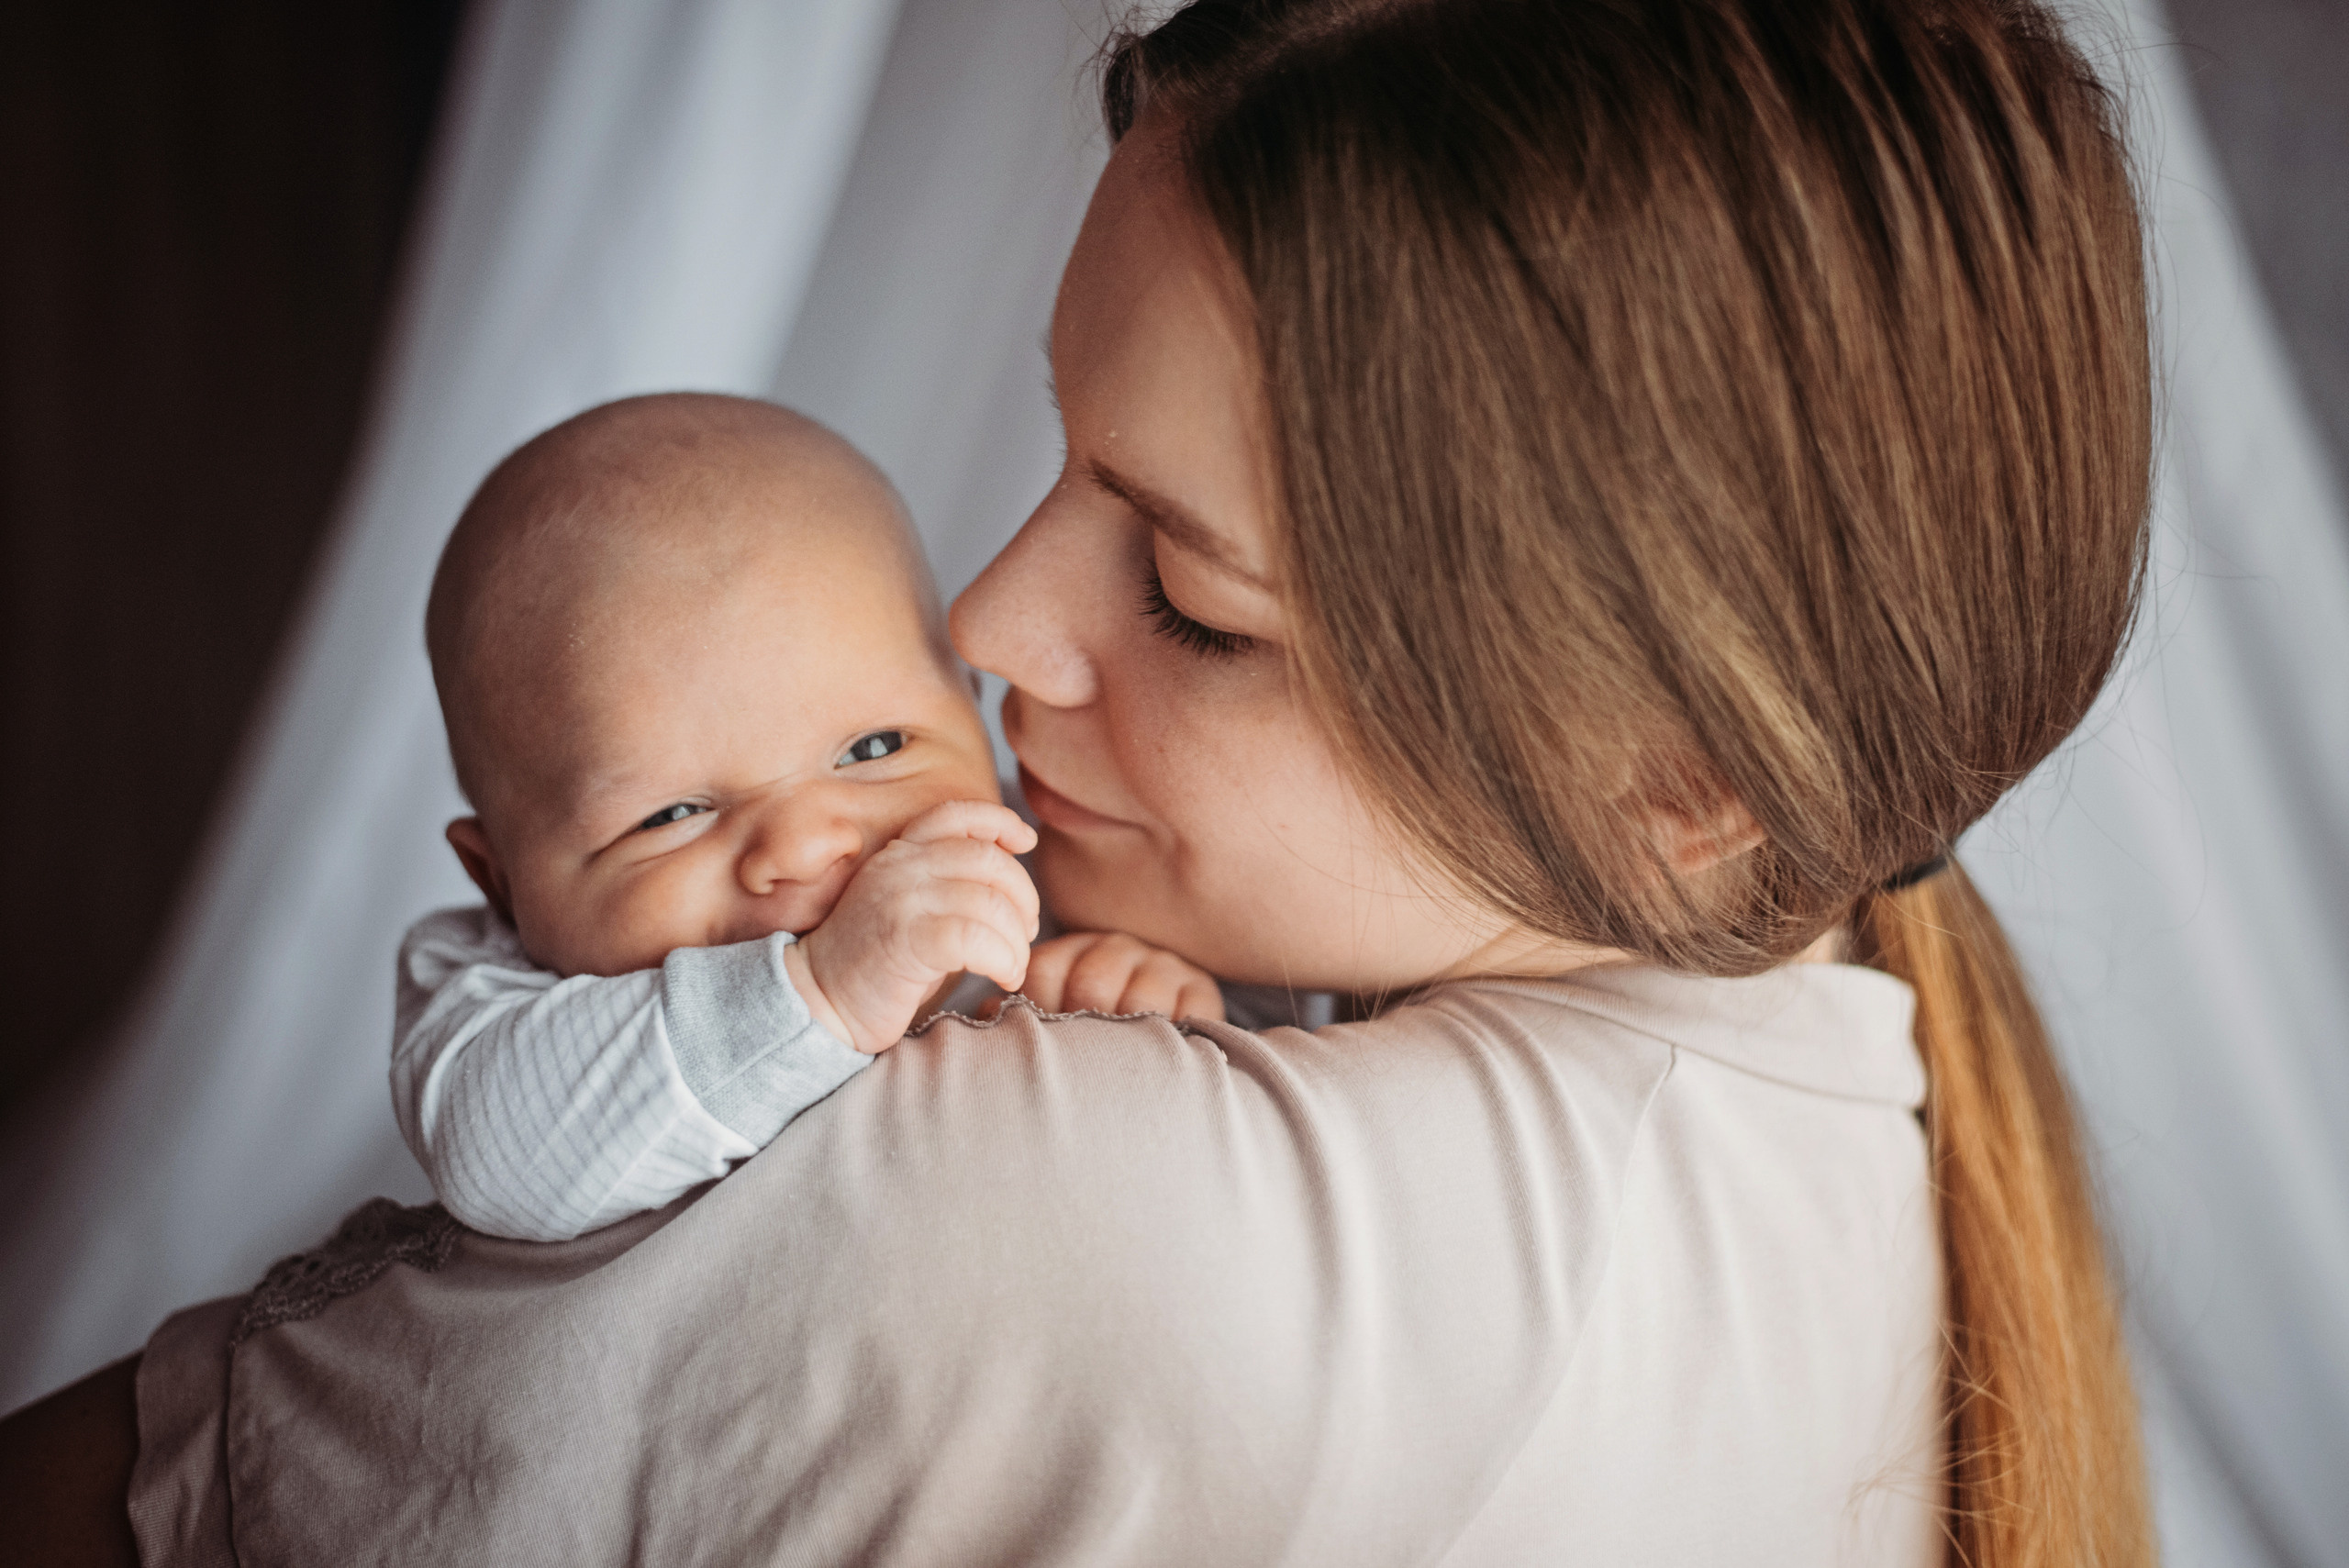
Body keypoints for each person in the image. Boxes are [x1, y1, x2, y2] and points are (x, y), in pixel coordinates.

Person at [3, 0, 2156, 1562]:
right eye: (1058, 459)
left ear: (1679, 783)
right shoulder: (1851, 1139)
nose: (994, 631)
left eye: (1196, 601)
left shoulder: (1049, 1203)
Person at [395, 392, 1219, 1241]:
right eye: (671, 814)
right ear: (500, 882)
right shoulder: (487, 988)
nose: (803, 845)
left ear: (970, 715)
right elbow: (495, 1162)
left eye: (874, 749)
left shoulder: (1038, 875)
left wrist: (1141, 1014)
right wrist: (818, 993)